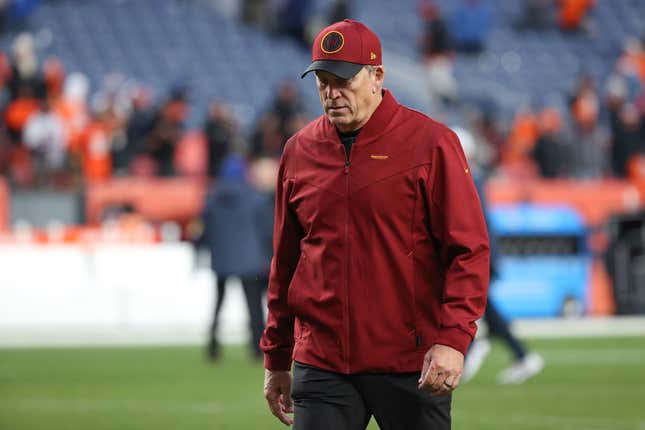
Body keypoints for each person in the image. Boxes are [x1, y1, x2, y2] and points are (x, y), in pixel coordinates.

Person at [260, 19, 490, 429]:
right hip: (322, 360)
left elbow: (468, 251)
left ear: (377, 76)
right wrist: (276, 357)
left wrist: (453, 341)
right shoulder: (298, 151)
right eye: (323, 81)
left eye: (343, 81)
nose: (332, 94)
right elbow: (287, 262)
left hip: (410, 360)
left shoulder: (431, 143)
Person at [201, 154, 273, 361]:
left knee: (218, 303)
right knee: (253, 306)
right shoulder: (255, 198)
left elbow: (205, 230)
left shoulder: (212, 198)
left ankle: (213, 345)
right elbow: (268, 230)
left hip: (222, 258)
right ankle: (257, 347)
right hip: (250, 259)